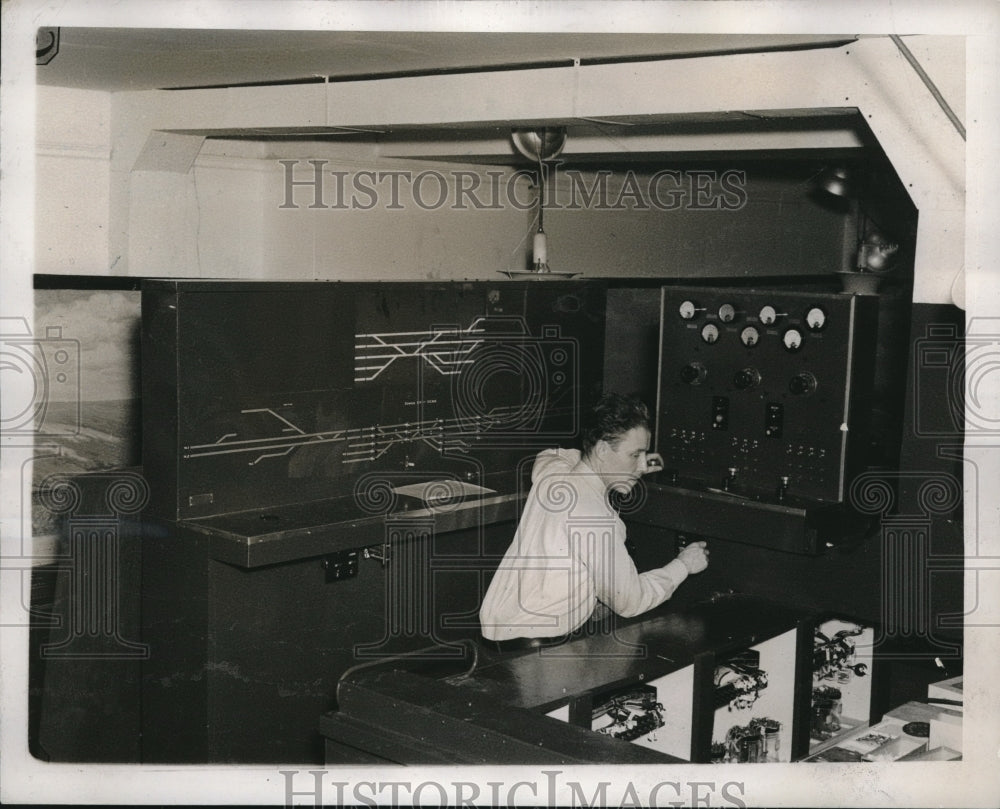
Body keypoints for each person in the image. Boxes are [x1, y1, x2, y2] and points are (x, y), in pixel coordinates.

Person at [479, 393, 708, 648]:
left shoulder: (554, 475)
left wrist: (607, 462)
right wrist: (683, 565)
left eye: (646, 456)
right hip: (538, 651)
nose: (643, 466)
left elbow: (549, 455)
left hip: (500, 637)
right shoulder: (595, 519)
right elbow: (630, 602)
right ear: (600, 450)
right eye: (635, 455)